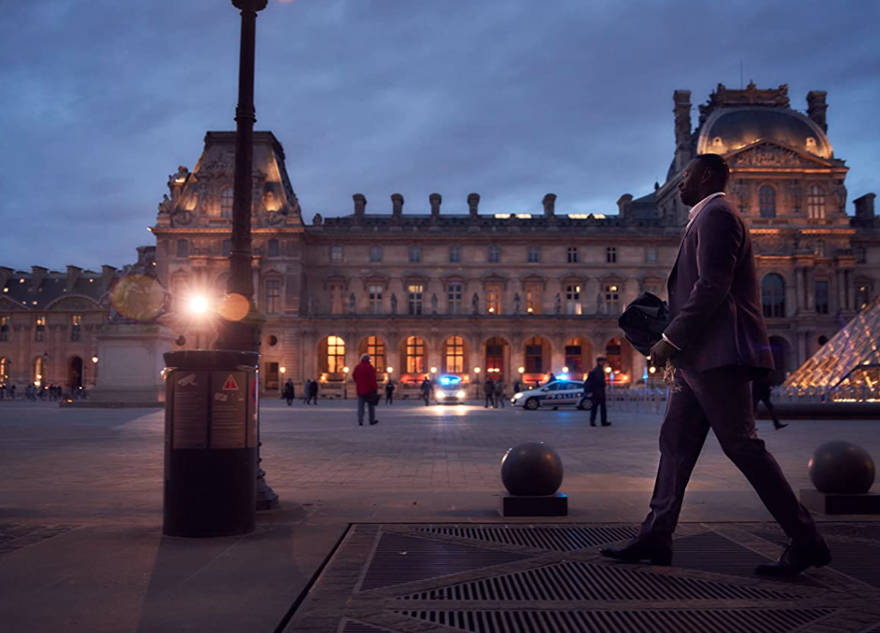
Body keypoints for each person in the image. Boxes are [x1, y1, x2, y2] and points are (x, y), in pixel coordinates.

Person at [600, 154, 828, 577]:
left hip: (719, 356)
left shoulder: (718, 215)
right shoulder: (707, 217)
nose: (679, 184)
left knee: (742, 445)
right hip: (699, 358)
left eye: (685, 176)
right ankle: (657, 534)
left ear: (705, 176)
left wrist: (670, 339)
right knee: (675, 442)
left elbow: (712, 286)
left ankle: (806, 539)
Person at [352, 353, 379, 426]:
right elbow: (373, 379)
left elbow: (354, 376)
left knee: (360, 406)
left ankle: (360, 420)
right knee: (371, 406)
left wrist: (358, 383)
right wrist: (375, 388)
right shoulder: (370, 368)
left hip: (360, 389)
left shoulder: (357, 367)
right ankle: (371, 420)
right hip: (369, 390)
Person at [585, 357, 610, 426]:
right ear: (599, 362)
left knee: (596, 407)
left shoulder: (597, 370)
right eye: (603, 361)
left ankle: (595, 421)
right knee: (599, 407)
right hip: (598, 392)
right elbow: (599, 381)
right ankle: (601, 421)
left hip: (597, 391)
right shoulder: (598, 370)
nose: (604, 363)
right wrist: (604, 384)